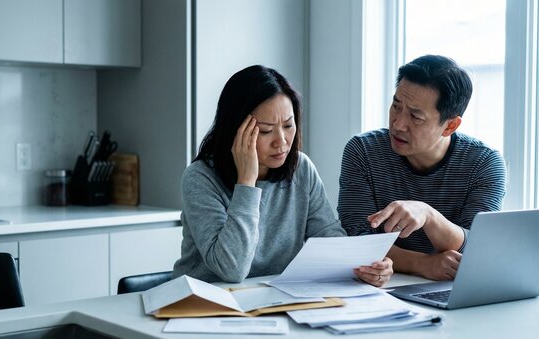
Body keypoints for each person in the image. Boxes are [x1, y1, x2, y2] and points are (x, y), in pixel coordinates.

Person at [172, 65, 393, 286]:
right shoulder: (200, 178)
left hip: (273, 300)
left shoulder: (301, 168)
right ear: (235, 131)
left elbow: (329, 238)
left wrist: (365, 266)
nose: (282, 141)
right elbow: (232, 269)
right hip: (204, 305)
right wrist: (247, 183)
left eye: (288, 125)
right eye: (266, 131)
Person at [337, 55, 507, 281]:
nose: (398, 124)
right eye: (396, 106)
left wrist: (428, 216)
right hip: (383, 287)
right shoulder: (363, 152)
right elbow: (356, 239)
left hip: (450, 290)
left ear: (450, 125)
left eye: (415, 117)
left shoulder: (484, 164)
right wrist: (421, 264)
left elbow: (477, 250)